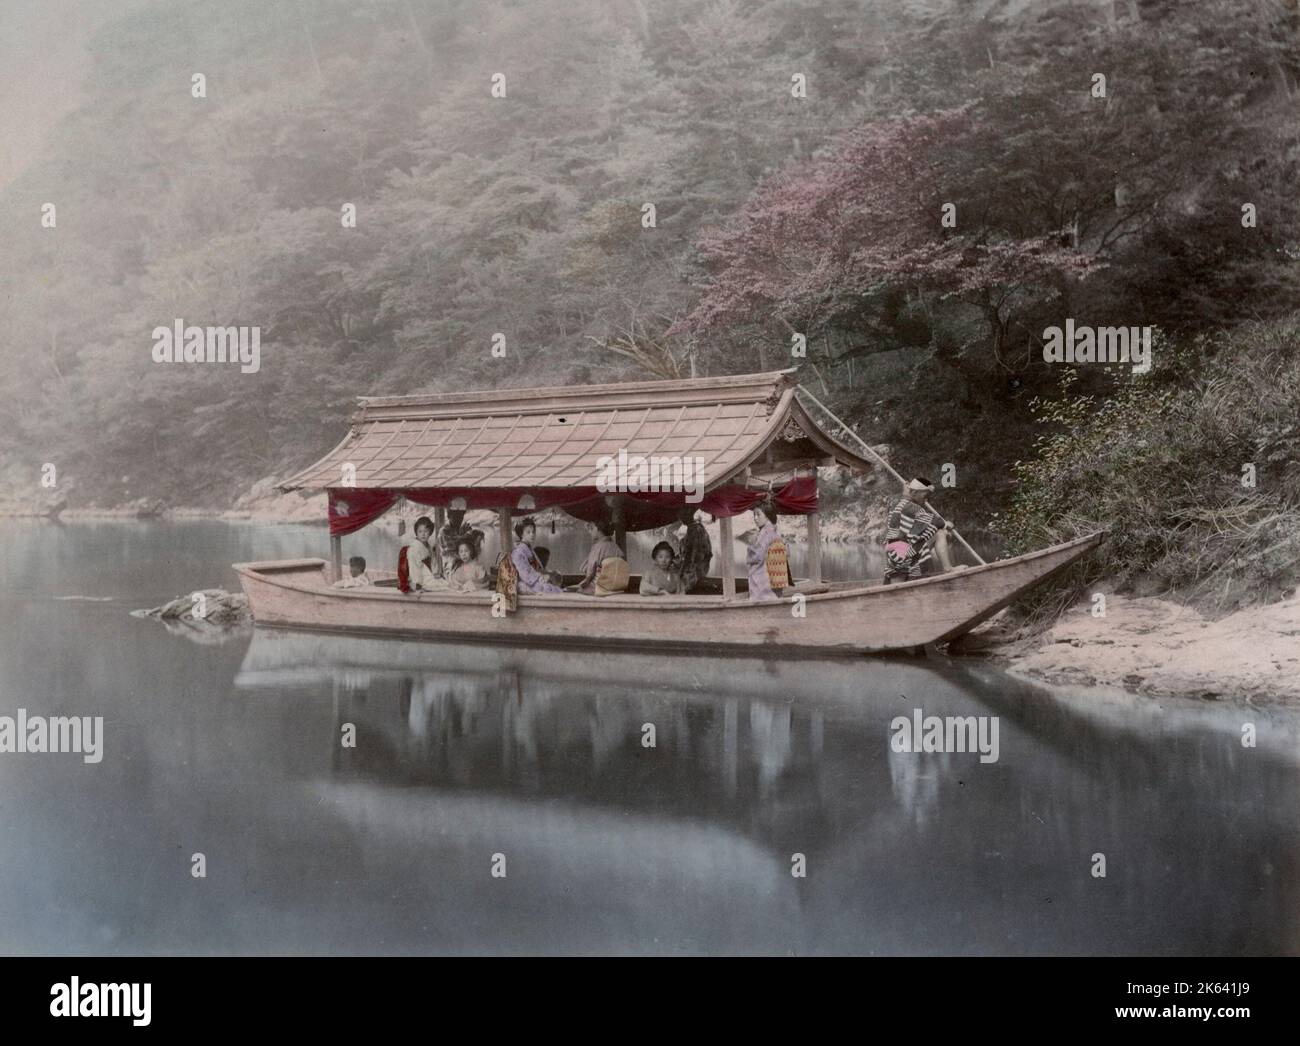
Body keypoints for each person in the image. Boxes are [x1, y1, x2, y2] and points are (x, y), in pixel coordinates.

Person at [883, 477, 954, 583]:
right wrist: (947, 524)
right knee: (939, 533)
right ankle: (948, 569)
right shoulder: (911, 508)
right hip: (903, 556)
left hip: (892, 557)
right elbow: (937, 523)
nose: (926, 500)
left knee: (896, 587)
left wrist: (908, 492)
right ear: (915, 492)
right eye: (925, 496)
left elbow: (916, 530)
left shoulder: (895, 503)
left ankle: (898, 580)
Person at [568, 519, 627, 595]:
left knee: (569, 590)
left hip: (598, 589)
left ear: (598, 529)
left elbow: (589, 576)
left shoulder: (597, 548)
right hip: (616, 589)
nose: (590, 531)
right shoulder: (617, 548)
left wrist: (578, 587)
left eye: (591, 528)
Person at [742, 503, 786, 602]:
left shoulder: (765, 533)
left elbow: (756, 556)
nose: (755, 518)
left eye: (758, 515)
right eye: (754, 515)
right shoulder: (775, 531)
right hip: (774, 577)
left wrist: (750, 546)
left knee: (763, 599)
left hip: (763, 578)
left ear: (767, 515)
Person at [510, 517, 563, 594]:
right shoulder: (518, 552)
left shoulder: (529, 548)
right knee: (550, 589)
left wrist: (546, 575)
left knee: (554, 586)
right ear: (521, 534)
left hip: (533, 579)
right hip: (525, 582)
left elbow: (536, 568)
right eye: (528, 532)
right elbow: (524, 574)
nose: (532, 535)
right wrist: (540, 577)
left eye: (533, 532)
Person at [398, 516, 445, 593]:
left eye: (426, 531)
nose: (423, 534)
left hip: (428, 576)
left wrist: (436, 574)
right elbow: (414, 568)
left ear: (430, 532)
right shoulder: (414, 548)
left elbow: (433, 564)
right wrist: (417, 585)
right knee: (444, 587)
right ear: (416, 532)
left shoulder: (428, 546)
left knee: (447, 584)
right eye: (420, 531)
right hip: (420, 580)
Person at [676, 507, 712, 593]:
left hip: (697, 567)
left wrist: (681, 571)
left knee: (687, 585)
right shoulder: (698, 527)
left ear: (687, 516)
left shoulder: (694, 529)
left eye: (682, 516)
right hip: (701, 565)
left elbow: (691, 553)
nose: (680, 519)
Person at [438, 508, 484, 573]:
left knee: (479, 571)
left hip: (464, 561)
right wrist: (467, 536)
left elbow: (474, 536)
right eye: (455, 517)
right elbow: (452, 548)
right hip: (451, 565)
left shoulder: (462, 528)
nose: (458, 520)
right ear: (448, 516)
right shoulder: (444, 531)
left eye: (460, 517)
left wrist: (477, 536)